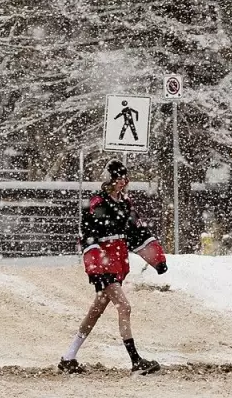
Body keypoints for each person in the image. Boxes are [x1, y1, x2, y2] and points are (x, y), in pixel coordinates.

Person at [58, 159, 168, 376]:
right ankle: (136, 361)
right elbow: (88, 235)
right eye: (117, 179)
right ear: (109, 180)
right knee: (124, 307)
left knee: (96, 310)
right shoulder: (98, 204)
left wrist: (157, 259)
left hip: (115, 264)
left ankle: (68, 358)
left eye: (124, 179)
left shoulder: (124, 205)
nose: (121, 183)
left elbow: (137, 233)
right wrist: (96, 261)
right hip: (102, 266)